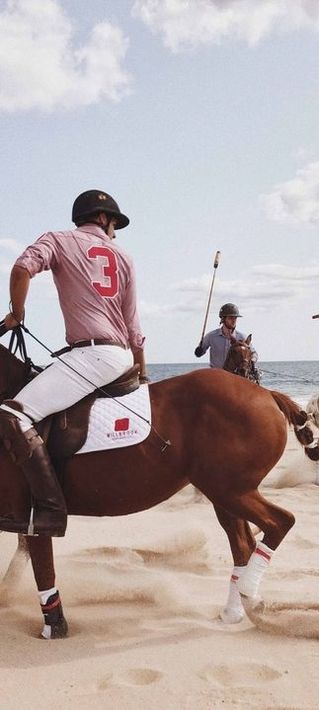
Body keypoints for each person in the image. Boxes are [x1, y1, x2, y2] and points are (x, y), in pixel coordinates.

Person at [0, 189, 147, 537]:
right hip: (120, 355)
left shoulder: (58, 239)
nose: (114, 232)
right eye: (114, 224)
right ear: (104, 218)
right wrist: (142, 376)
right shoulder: (124, 257)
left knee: (12, 413)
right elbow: (134, 327)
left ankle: (49, 510)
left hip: (91, 355)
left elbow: (22, 268)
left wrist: (16, 315)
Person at [194, 302, 258, 371]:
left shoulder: (242, 337)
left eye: (235, 318)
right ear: (223, 319)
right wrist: (199, 351)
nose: (234, 321)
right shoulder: (211, 336)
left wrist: (251, 361)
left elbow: (254, 354)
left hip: (235, 376)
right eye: (231, 318)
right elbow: (200, 352)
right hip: (216, 374)